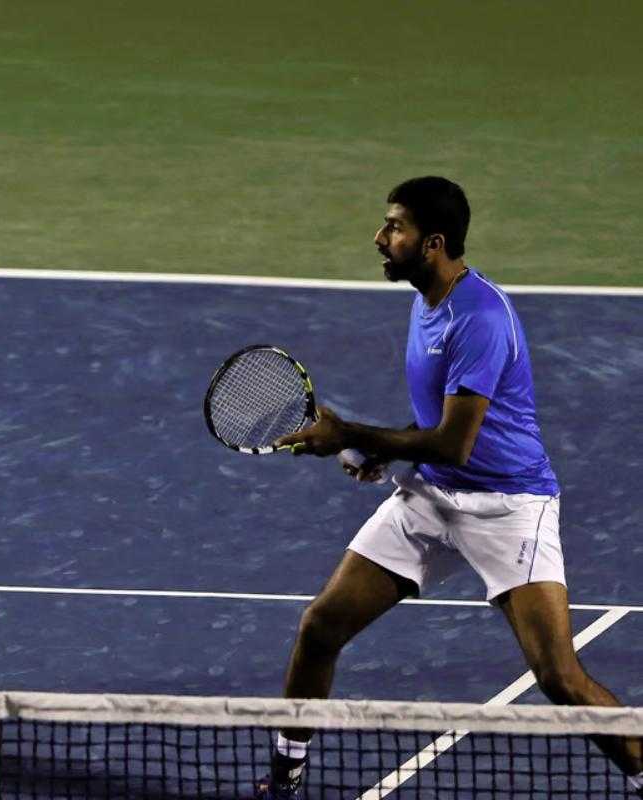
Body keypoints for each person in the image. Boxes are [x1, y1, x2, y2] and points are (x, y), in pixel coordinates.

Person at [255, 176, 641, 798]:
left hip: (510, 507)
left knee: (560, 677)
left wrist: (351, 432)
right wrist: (377, 449)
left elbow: (457, 441)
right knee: (320, 628)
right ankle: (285, 775)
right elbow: (438, 428)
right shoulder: (427, 297)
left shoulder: (480, 317)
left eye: (394, 228)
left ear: (432, 242)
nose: (380, 238)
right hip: (432, 496)